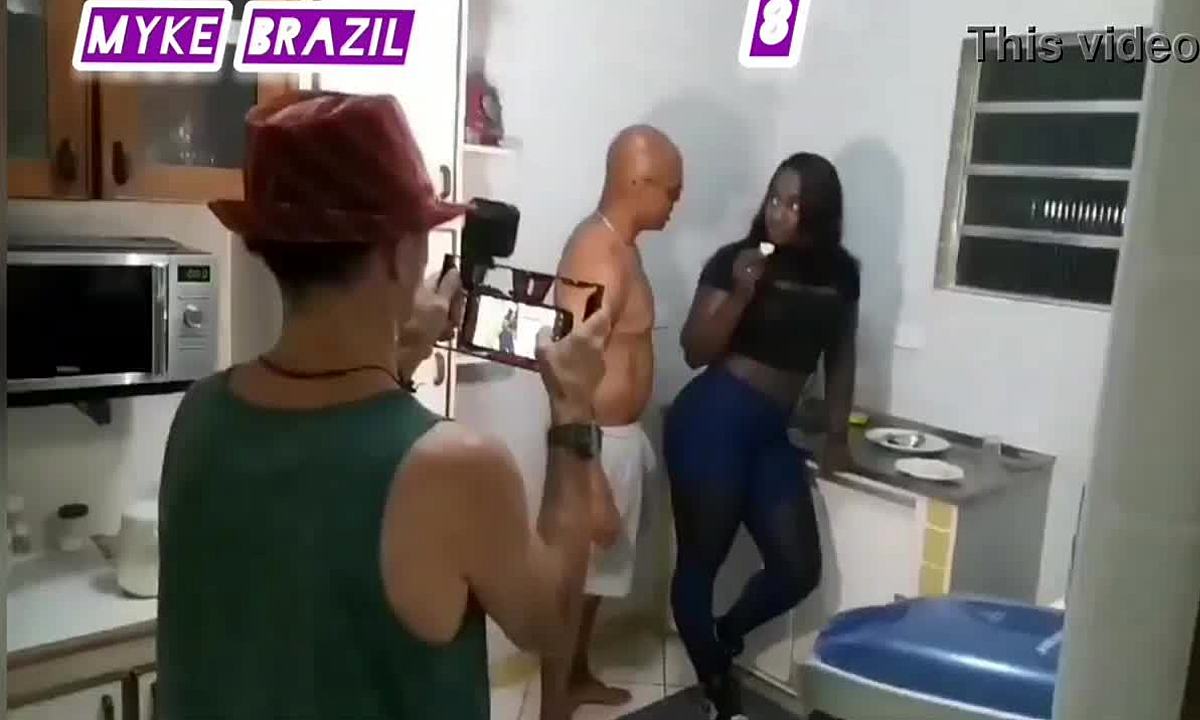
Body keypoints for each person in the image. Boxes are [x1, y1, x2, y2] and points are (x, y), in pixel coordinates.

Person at [158, 91, 613, 720]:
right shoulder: (458, 467)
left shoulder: (199, 414)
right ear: (402, 254)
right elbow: (553, 623)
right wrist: (574, 410)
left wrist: (399, 358)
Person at [664, 153, 860, 719]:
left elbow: (840, 355)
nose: (779, 211)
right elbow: (694, 350)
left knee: (798, 567)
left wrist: (838, 433)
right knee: (699, 563)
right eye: (774, 198)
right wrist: (741, 293)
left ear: (819, 213)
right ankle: (719, 689)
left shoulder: (841, 275)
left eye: (795, 204)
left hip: (770, 432)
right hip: (712, 420)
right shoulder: (736, 261)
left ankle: (723, 635)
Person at [548, 125, 683, 717]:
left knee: (594, 585)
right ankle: (553, 701)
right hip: (593, 444)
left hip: (616, 440)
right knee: (571, 582)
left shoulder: (623, 249)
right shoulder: (598, 255)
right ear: (637, 181)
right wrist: (592, 478)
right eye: (670, 190)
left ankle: (576, 676)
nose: (676, 203)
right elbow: (563, 367)